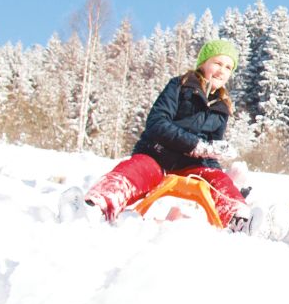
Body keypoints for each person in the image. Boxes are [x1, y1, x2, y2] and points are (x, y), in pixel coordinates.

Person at [59, 38, 255, 232]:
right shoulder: (180, 86)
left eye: (228, 67)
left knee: (217, 180)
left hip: (191, 166)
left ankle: (239, 219)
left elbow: (211, 149)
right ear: (203, 62)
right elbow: (157, 123)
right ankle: (96, 206)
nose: (222, 70)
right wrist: (195, 145)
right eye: (218, 63)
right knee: (134, 172)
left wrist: (215, 161)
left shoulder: (222, 107)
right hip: (157, 156)